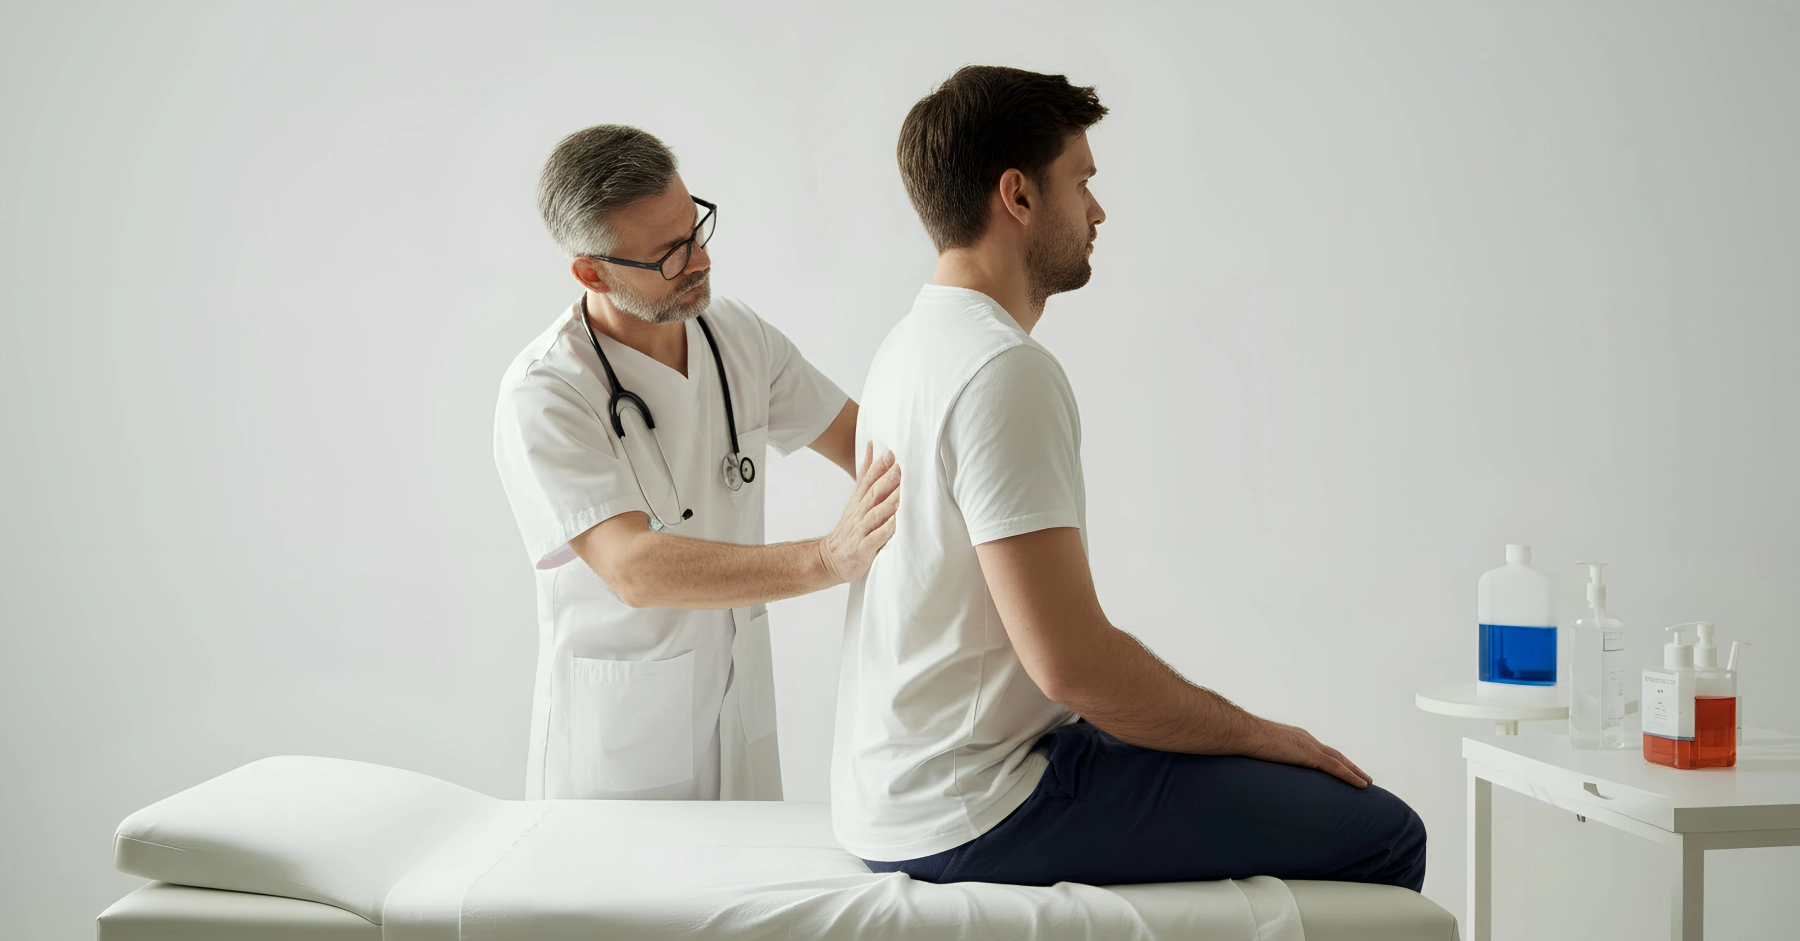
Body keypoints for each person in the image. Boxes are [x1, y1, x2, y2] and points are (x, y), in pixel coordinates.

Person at [832, 66, 1426, 889]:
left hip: (891, 789)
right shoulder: (1001, 368)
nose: (1097, 210)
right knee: (1384, 832)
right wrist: (1261, 734)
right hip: (972, 807)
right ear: (1019, 196)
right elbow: (1070, 664)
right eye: (1081, 182)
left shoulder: (908, 346)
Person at [496, 125, 900, 802]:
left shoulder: (736, 335)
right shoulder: (547, 390)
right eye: (668, 254)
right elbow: (632, 567)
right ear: (591, 271)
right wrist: (827, 558)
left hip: (737, 712)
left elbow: (869, 444)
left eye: (697, 229)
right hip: (621, 756)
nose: (700, 260)